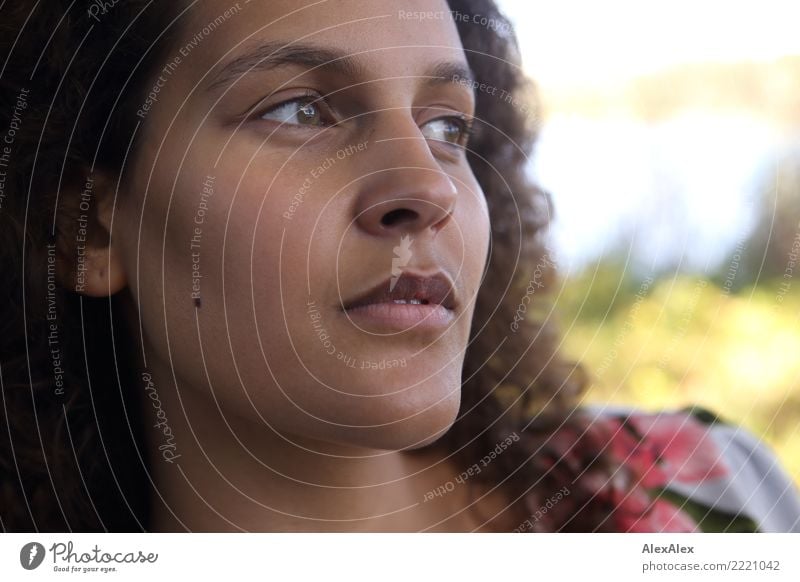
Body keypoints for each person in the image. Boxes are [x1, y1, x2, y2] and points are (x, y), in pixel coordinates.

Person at [1, 0, 797, 533]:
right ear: (89, 232)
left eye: (448, 127)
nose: (427, 187)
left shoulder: (725, 495)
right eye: (298, 110)